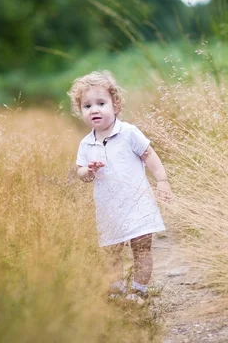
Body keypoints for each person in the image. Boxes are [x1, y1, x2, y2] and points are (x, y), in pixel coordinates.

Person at [67, 70, 171, 303]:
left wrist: (162, 181)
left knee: (141, 249)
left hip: (138, 203)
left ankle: (139, 290)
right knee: (111, 252)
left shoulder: (128, 133)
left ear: (116, 105)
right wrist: (89, 171)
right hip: (109, 208)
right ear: (80, 111)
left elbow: (149, 155)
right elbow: (81, 172)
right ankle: (116, 289)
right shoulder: (86, 143)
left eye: (101, 103)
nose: (94, 109)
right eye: (87, 106)